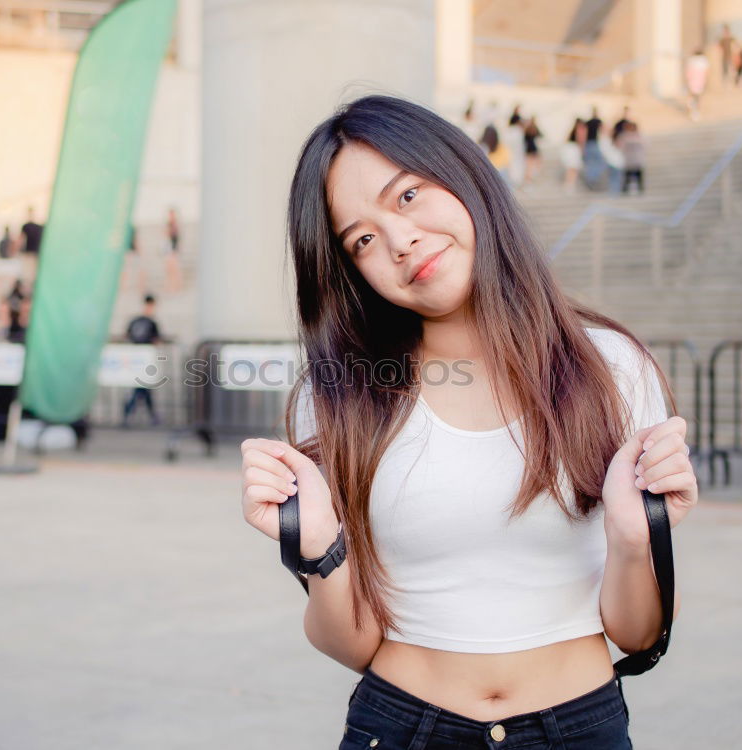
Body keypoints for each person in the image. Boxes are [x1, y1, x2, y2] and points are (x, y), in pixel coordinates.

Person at [241, 96, 698, 749]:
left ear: (465, 176)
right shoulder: (342, 395)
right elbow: (353, 642)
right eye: (362, 240)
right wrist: (320, 548)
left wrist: (632, 537)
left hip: (580, 728)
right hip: (402, 726)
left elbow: (640, 633)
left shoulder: (614, 367)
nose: (400, 242)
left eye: (407, 197)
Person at [122, 294, 163, 427]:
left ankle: (130, 415)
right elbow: (156, 340)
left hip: (136, 359)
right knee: (141, 389)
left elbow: (127, 335)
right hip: (143, 360)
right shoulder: (150, 322)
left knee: (141, 389)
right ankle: (132, 415)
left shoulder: (136, 320)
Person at [618, 121, 646, 195]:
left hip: (637, 158)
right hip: (629, 158)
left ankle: (640, 189)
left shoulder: (638, 135)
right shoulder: (624, 136)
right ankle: (625, 189)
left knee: (638, 174)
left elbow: (644, 145)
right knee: (628, 175)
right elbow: (620, 147)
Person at [559, 118, 585, 193]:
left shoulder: (572, 129)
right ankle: (570, 185)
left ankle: (568, 184)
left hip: (569, 149)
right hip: (574, 150)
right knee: (573, 168)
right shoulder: (580, 129)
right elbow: (580, 139)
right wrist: (582, 150)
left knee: (571, 168)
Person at [684, 48, 709, 121]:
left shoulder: (691, 60)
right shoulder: (704, 61)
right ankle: (696, 111)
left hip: (692, 80)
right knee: (698, 97)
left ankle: (690, 105)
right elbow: (707, 71)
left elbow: (687, 71)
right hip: (700, 80)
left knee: (691, 95)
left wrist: (687, 79)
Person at [522, 116, 542, 185]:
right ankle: (530, 177)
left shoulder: (527, 129)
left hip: (529, 148)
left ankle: (528, 178)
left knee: (529, 165)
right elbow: (541, 135)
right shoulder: (534, 128)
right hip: (533, 148)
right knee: (532, 164)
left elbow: (524, 139)